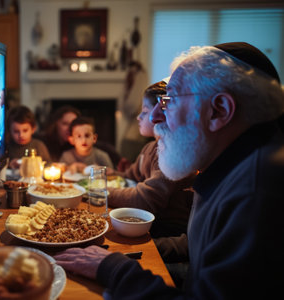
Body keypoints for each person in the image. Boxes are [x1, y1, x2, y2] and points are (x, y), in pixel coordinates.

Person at [54, 42, 284, 298]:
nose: (153, 117)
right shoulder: (227, 166)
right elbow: (200, 244)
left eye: (169, 101)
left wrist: (114, 269)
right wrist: (128, 252)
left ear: (220, 110)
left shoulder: (258, 192)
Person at [108, 81, 194, 238]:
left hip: (170, 233)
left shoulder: (170, 154)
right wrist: (110, 173)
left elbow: (146, 199)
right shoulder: (148, 149)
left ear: (164, 114)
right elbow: (130, 176)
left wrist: (104, 193)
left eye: (144, 112)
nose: (139, 117)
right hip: (150, 224)